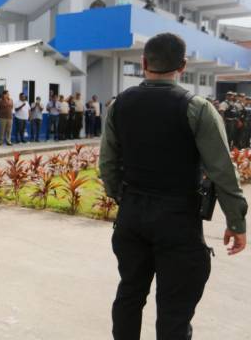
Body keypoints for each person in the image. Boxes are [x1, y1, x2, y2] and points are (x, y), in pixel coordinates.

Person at [100, 33, 247, 340]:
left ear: (143, 63)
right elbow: (222, 171)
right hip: (178, 220)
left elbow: (108, 165)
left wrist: (122, 199)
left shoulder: (118, 105)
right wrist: (236, 221)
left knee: (129, 294)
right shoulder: (197, 108)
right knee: (174, 312)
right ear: (182, 66)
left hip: (132, 218)